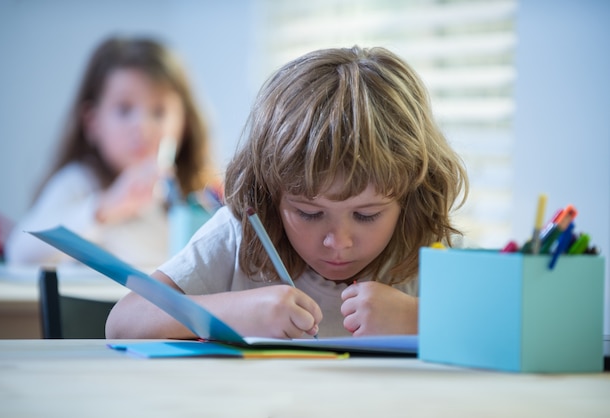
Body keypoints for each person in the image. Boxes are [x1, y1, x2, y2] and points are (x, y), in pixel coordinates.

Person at [105, 46, 469, 339]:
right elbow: (124, 320)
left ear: (410, 197)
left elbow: (506, 333)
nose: (337, 242)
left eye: (366, 214)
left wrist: (417, 319)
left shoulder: (425, 250)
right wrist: (239, 312)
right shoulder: (240, 234)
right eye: (309, 213)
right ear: (269, 195)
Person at [5, 35, 215, 269]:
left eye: (159, 111)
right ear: (92, 122)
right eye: (124, 110)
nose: (143, 128)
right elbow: (20, 251)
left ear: (184, 123)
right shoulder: (80, 184)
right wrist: (104, 209)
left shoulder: (196, 197)